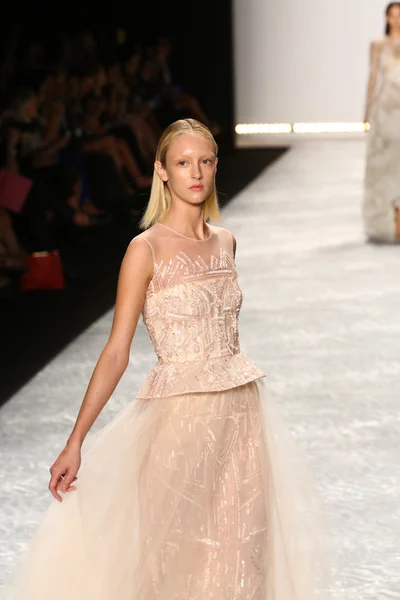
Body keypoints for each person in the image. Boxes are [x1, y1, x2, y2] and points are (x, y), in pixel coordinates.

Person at [1, 119, 331, 600]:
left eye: (205, 161)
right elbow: (117, 351)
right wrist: (76, 441)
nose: (195, 173)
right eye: (182, 163)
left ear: (215, 167)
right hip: (179, 423)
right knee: (175, 556)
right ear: (162, 172)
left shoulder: (226, 241)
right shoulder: (145, 249)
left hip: (242, 418)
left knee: (243, 557)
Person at [363, 2, 400, 242]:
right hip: (386, 109)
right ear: (386, 17)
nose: (397, 20)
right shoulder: (378, 44)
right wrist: (367, 110)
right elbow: (373, 76)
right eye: (393, 15)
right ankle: (389, 221)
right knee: (384, 165)